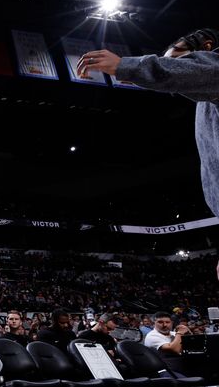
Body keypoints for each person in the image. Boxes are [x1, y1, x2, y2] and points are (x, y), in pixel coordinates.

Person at [78, 29, 219, 277]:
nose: (170, 65)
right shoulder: (206, 101)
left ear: (207, 49)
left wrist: (124, 66)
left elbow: (181, 72)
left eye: (176, 57)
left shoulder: (214, 70)